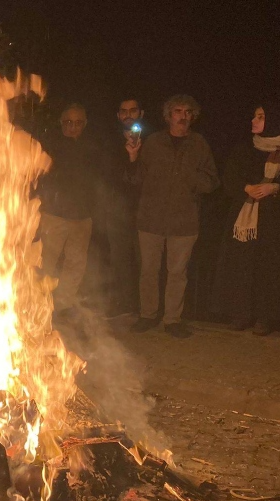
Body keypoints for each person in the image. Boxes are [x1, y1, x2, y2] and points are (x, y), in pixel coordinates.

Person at [127, 95, 219, 338]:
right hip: (150, 218)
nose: (183, 116)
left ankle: (172, 320)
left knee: (177, 274)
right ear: (168, 116)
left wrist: (191, 179)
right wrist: (133, 157)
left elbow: (212, 181)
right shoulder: (153, 142)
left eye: (188, 112)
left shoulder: (199, 143)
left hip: (184, 220)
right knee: (148, 270)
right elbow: (136, 179)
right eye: (178, 111)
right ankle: (147, 315)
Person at [210, 102, 280, 335]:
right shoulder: (245, 148)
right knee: (241, 266)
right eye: (254, 116)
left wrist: (274, 188)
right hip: (244, 217)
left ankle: (265, 317)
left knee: (267, 268)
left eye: (260, 116)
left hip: (273, 220)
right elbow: (229, 177)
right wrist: (246, 187)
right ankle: (240, 313)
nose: (254, 120)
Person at [37, 103, 105, 319]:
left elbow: (99, 179)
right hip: (54, 215)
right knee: (45, 262)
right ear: (61, 122)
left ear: (84, 124)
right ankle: (38, 304)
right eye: (68, 122)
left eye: (77, 123)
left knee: (76, 264)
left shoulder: (93, 146)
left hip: (83, 217)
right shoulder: (51, 145)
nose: (72, 127)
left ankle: (64, 306)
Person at [104, 97, 146, 317]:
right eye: (124, 112)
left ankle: (144, 308)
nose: (128, 116)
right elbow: (107, 175)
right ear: (118, 115)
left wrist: (136, 157)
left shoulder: (151, 142)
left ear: (141, 113)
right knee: (119, 259)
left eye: (133, 111)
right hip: (116, 209)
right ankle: (121, 304)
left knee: (144, 261)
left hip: (144, 210)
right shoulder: (110, 142)